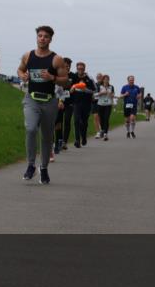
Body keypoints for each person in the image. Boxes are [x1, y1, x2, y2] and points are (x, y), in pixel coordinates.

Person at [17, 25, 69, 184]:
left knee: (47, 137)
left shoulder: (56, 59)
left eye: (46, 36)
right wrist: (23, 76)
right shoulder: (28, 56)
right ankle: (31, 165)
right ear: (36, 37)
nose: (42, 39)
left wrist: (52, 78)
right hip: (31, 99)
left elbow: (66, 81)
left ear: (50, 39)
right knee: (31, 129)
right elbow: (19, 70)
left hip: (49, 101)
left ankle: (44, 168)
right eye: (40, 36)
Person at [69, 62, 97, 147]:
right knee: (76, 121)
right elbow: (68, 88)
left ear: (84, 69)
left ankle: (84, 137)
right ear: (77, 69)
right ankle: (77, 140)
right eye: (78, 68)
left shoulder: (89, 78)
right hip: (76, 102)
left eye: (82, 68)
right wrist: (72, 88)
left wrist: (85, 90)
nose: (80, 70)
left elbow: (94, 90)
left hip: (86, 103)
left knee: (84, 122)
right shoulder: (73, 77)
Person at [58, 57, 75, 152]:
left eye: (69, 66)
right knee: (59, 122)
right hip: (60, 102)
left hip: (70, 102)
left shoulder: (73, 76)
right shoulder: (58, 75)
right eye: (65, 65)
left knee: (67, 121)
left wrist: (74, 88)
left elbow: (77, 86)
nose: (67, 67)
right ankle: (59, 140)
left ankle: (64, 141)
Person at [96, 74, 114, 141]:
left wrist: (111, 94)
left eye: (107, 79)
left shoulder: (111, 87)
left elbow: (113, 94)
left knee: (106, 118)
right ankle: (103, 130)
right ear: (103, 80)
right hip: (100, 104)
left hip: (108, 105)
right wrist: (101, 93)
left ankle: (105, 134)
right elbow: (95, 95)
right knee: (101, 119)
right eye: (105, 79)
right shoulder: (99, 86)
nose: (106, 80)